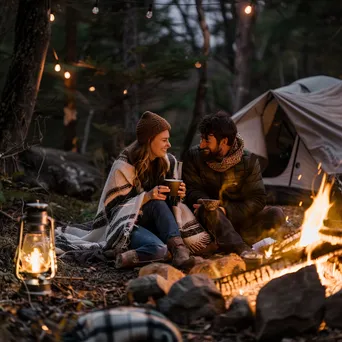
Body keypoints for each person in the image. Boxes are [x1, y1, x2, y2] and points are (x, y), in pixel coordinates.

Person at [93, 111, 206, 269]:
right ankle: (130, 255)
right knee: (159, 246)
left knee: (159, 213)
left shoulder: (168, 163)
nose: (169, 145)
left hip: (157, 224)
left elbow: (171, 207)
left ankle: (174, 251)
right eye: (164, 140)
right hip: (128, 227)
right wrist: (146, 197)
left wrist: (179, 195)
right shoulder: (124, 166)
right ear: (149, 140)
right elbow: (113, 210)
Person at [182, 111, 286, 258]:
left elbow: (258, 199)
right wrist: (207, 203)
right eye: (201, 139)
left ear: (224, 141)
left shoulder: (248, 161)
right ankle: (242, 250)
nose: (201, 145)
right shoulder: (193, 156)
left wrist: (227, 210)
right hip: (210, 222)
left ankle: (272, 247)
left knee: (275, 213)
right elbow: (191, 190)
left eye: (207, 140)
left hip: (241, 220)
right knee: (211, 211)